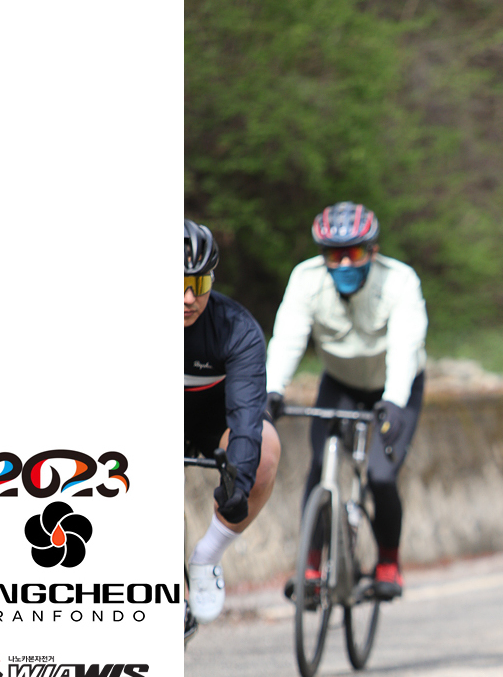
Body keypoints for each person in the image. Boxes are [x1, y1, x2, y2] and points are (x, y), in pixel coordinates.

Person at [265, 202, 429, 600]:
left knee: (381, 476)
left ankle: (388, 562)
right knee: (320, 464)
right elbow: (288, 337)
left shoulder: (400, 281)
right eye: (333, 255)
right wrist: (271, 391)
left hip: (396, 387)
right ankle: (310, 566)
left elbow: (406, 345)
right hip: (340, 381)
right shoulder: (306, 279)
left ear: (372, 251)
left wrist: (393, 400)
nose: (342, 263)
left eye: (353, 253)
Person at [183, 219, 280, 634]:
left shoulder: (236, 328)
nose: (188, 298)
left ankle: (206, 558)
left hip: (217, 418)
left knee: (265, 450)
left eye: (198, 284)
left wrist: (238, 485)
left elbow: (245, 415)